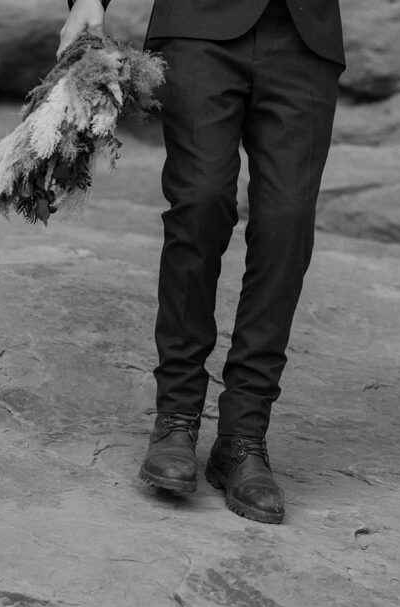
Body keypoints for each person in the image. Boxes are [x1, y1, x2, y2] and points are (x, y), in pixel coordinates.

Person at [59, 0, 345, 524]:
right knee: (200, 201)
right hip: (196, 28)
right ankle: (176, 418)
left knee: (287, 221)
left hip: (306, 36)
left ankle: (243, 438)